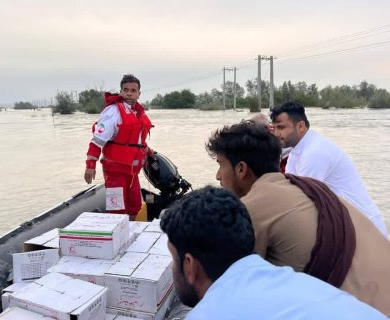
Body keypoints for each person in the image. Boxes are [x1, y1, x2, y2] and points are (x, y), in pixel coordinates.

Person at [206, 122, 390, 316]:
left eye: (220, 164)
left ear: (241, 169)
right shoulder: (309, 188)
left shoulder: (252, 207)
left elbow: (229, 284)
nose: (218, 176)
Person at [160, 186, 388, 320]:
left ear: (189, 265)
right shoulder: (302, 284)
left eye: (173, 258)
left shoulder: (210, 314)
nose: (173, 268)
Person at [270, 101, 388, 237]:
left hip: (366, 229)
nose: (277, 134)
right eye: (274, 128)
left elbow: (301, 201)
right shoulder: (297, 150)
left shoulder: (315, 152)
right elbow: (289, 191)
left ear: (301, 126)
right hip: (347, 224)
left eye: (281, 127)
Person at [84, 74, 154, 221]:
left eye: (133, 90)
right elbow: (97, 141)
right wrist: (90, 165)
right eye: (126, 89)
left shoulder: (138, 112)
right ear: (121, 91)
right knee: (116, 209)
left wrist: (149, 152)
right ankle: (117, 238)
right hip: (115, 170)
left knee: (135, 205)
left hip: (133, 171)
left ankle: (130, 231)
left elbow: (138, 141)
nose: (129, 93)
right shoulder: (113, 112)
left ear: (139, 93)